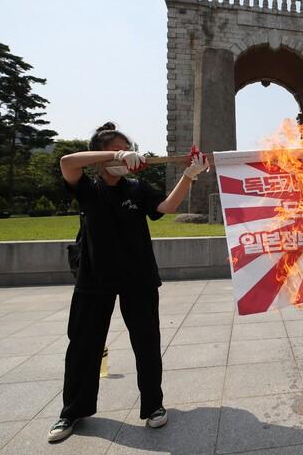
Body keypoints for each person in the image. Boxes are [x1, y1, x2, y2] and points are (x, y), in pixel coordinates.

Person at [48, 123, 209, 442]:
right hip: (94, 279)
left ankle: (153, 406)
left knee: (146, 343)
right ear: (102, 156)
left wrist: (189, 175)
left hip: (139, 278)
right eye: (118, 149)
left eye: (127, 148)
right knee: (83, 345)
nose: (124, 156)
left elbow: (166, 207)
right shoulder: (87, 187)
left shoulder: (137, 187)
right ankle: (72, 412)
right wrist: (117, 153)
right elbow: (67, 161)